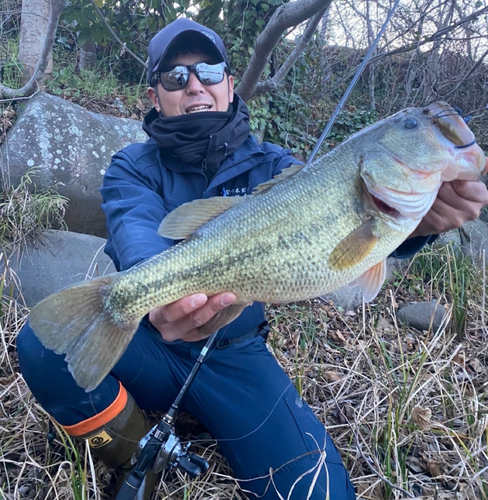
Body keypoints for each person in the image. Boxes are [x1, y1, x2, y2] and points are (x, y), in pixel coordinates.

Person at [17, 17, 488, 500]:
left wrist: (422, 226)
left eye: (210, 69)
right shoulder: (131, 166)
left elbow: (355, 249)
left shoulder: (279, 167)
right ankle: (137, 450)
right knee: (41, 346)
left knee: (320, 492)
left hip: (236, 359)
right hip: (150, 343)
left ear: (228, 80)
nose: (195, 84)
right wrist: (160, 300)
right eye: (176, 77)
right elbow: (138, 235)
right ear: (155, 95)